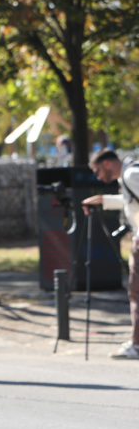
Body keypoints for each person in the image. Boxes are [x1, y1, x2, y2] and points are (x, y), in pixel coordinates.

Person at [82, 149, 139, 359]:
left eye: (97, 170)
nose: (98, 176)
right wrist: (103, 200)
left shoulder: (131, 175)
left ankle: (137, 345)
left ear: (107, 163)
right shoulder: (130, 175)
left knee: (136, 293)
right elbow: (130, 202)